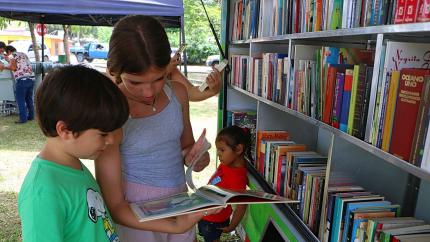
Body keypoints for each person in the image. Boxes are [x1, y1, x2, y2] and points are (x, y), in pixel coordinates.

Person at [18, 65, 213, 242]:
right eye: (103, 134)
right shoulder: (42, 191)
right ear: (65, 130)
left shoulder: (73, 168)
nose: (112, 141)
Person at [96, 15, 211, 242]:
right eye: (135, 82)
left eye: (158, 79)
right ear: (115, 71)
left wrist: (196, 157)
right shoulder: (110, 110)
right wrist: (175, 226)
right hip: (135, 217)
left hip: (179, 203)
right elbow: (114, 204)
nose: (149, 92)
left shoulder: (177, 93)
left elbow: (185, 147)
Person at [198, 125, 251, 242]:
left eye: (222, 150)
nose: (218, 154)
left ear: (238, 149)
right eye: (218, 150)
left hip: (214, 218)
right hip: (206, 213)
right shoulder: (227, 163)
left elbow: (241, 206)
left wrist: (233, 225)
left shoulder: (237, 177)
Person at [0, 45, 35, 124]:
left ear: (9, 51)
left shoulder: (12, 55)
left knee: (20, 99)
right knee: (29, 98)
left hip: (22, 79)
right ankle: (31, 116)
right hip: (31, 78)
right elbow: (19, 65)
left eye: (6, 53)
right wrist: (9, 61)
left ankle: (23, 119)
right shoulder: (23, 54)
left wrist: (3, 67)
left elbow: (13, 68)